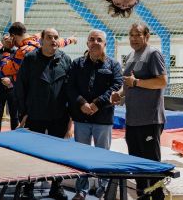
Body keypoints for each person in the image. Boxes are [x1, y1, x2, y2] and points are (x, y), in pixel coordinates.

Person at [16, 28, 74, 200]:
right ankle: (28, 187)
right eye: (49, 37)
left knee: (58, 155)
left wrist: (70, 120)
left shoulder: (65, 59)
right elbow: (21, 87)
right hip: (35, 115)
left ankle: (56, 187)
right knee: (32, 153)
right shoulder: (30, 59)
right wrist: (23, 114)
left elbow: (70, 90)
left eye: (56, 37)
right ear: (41, 40)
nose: (53, 40)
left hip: (59, 116)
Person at [111, 23, 167, 199]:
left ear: (147, 36)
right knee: (136, 162)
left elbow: (162, 81)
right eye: (131, 35)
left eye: (138, 35)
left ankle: (158, 195)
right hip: (132, 119)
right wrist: (119, 94)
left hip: (149, 119)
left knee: (151, 163)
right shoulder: (130, 55)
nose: (134, 39)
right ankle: (142, 194)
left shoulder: (153, 54)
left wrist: (137, 83)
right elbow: (128, 82)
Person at [67, 29, 123, 200]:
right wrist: (82, 103)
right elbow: (70, 86)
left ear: (105, 44)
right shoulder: (77, 64)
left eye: (99, 39)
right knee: (81, 156)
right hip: (82, 118)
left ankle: (102, 189)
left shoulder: (113, 65)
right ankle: (81, 190)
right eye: (92, 39)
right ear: (87, 43)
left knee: (102, 156)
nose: (95, 42)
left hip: (103, 118)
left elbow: (117, 85)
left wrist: (97, 104)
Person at [1, 21, 77, 85]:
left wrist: (7, 49)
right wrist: (71, 39)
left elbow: (4, 71)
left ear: (13, 36)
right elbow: (60, 42)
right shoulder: (39, 38)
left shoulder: (22, 52)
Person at [0, 33, 18, 132]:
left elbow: (19, 69)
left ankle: (15, 135)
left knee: (14, 115)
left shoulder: (17, 53)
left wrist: (10, 79)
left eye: (10, 39)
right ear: (2, 41)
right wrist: (3, 79)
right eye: (6, 39)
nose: (8, 40)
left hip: (13, 88)